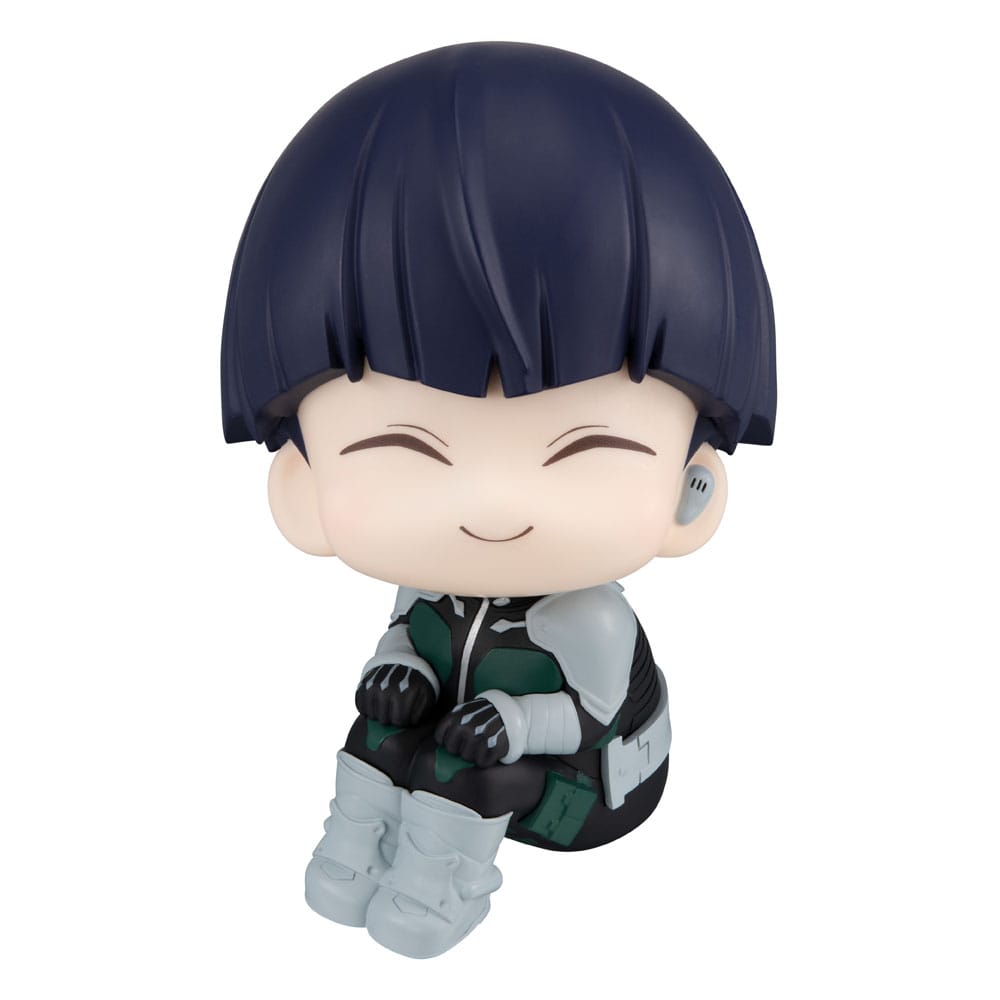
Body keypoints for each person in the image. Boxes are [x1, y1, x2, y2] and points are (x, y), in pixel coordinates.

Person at [221, 41, 776, 959]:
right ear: (302, 489)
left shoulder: (589, 619)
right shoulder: (427, 586)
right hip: (477, 741)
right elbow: (409, 639)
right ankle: (350, 864)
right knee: (380, 733)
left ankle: (431, 904)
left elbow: (589, 715)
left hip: (588, 786)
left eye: (587, 451)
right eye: (405, 450)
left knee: (461, 770)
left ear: (694, 489)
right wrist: (400, 672)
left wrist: (514, 722)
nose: (493, 502)